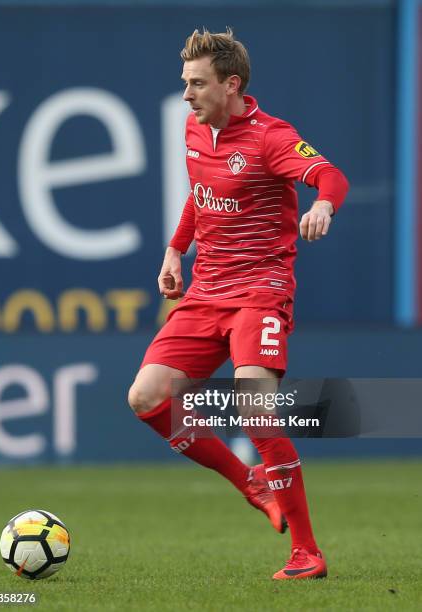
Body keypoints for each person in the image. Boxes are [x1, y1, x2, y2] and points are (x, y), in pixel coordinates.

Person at [128, 28, 349, 580]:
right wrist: (175, 250)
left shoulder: (272, 138)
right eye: (184, 83)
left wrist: (323, 204)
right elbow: (201, 197)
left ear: (231, 85)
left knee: (255, 405)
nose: (186, 95)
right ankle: (247, 481)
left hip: (259, 291)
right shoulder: (193, 129)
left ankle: (307, 553)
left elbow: (329, 175)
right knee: (146, 396)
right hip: (207, 291)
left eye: (196, 84)